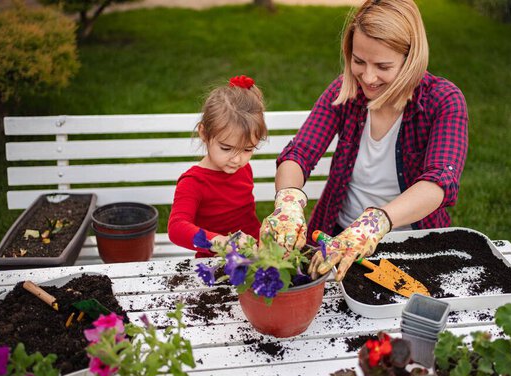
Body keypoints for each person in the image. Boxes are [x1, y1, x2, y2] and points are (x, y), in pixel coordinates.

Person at [261, 0, 468, 280]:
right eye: (359, 61)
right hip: (336, 239)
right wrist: (288, 201)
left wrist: (375, 223)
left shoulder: (444, 101)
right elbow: (299, 153)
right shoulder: (347, 92)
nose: (368, 77)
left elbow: (439, 182)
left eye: (383, 66)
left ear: (411, 59)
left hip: (415, 246)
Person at [169, 75, 267, 258]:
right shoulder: (193, 182)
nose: (237, 160)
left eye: (247, 149)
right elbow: (176, 228)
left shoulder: (242, 168)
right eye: (226, 148)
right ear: (204, 133)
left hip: (254, 256)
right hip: (214, 264)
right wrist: (222, 243)